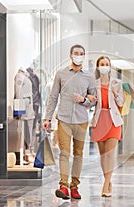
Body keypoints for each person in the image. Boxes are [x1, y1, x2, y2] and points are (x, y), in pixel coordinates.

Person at [43, 44, 96, 200]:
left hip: (81, 121)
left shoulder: (89, 77)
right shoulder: (61, 74)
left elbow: (94, 100)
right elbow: (53, 97)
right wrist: (47, 118)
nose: (79, 56)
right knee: (64, 153)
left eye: (82, 54)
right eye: (76, 53)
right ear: (71, 56)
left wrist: (84, 100)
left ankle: (74, 187)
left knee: (78, 154)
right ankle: (63, 186)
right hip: (64, 119)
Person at [87, 56, 124, 197]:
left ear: (110, 66)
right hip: (99, 121)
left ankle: (105, 184)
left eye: (107, 64)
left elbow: (121, 103)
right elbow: (90, 104)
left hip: (113, 120)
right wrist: (88, 99)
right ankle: (108, 182)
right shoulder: (93, 84)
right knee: (103, 156)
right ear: (98, 67)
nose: (104, 66)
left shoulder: (116, 83)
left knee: (109, 155)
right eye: (102, 64)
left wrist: (115, 94)